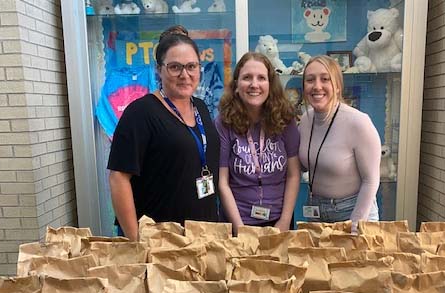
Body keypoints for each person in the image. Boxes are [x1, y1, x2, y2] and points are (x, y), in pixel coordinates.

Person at [107, 25, 220, 240]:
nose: (184, 75)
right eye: (175, 67)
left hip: (202, 234)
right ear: (159, 69)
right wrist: (136, 241)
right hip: (161, 240)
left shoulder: (201, 108)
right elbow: (118, 178)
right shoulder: (140, 112)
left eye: (191, 66)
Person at [216, 52, 301, 233]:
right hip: (238, 221)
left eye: (261, 78)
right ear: (237, 85)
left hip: (279, 222)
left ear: (270, 84)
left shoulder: (285, 119)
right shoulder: (224, 123)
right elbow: (222, 182)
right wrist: (239, 229)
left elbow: (293, 174)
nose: (254, 84)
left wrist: (285, 222)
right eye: (247, 78)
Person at [298, 55, 381, 231]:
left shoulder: (358, 122)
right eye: (310, 80)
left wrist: (356, 225)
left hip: (354, 211)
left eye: (325, 79)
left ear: (337, 86)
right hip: (316, 211)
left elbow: (371, 180)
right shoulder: (305, 121)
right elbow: (299, 166)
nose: (317, 86)